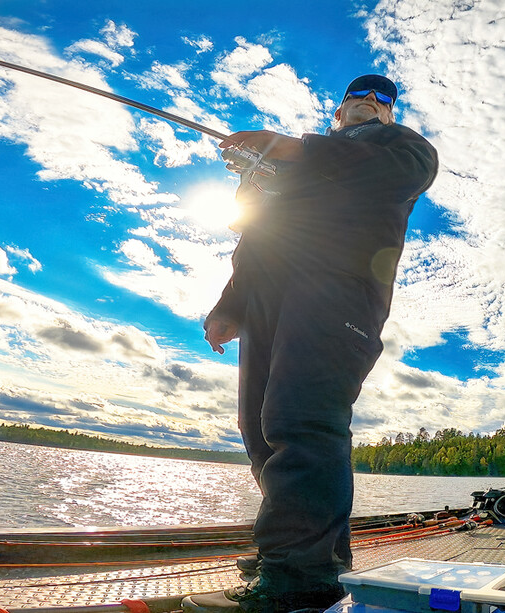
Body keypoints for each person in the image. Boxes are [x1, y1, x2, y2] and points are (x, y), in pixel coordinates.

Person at [185, 75, 438, 613]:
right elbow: (258, 236)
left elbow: (405, 174)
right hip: (266, 305)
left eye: (384, 100)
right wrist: (230, 306)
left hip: (339, 295)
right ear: (338, 107)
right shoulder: (294, 161)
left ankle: (299, 574)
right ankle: (313, 549)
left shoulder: (399, 147)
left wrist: (293, 150)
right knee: (257, 427)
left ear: (391, 114)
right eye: (358, 96)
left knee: (302, 418)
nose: (371, 101)